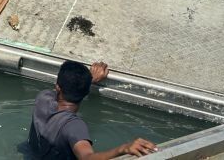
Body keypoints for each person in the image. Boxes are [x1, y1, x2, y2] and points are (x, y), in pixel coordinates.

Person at [28, 60, 158, 159]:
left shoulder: (43, 98)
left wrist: (88, 80)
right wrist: (123, 148)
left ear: (57, 87)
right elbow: (86, 157)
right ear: (86, 92)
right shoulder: (74, 126)